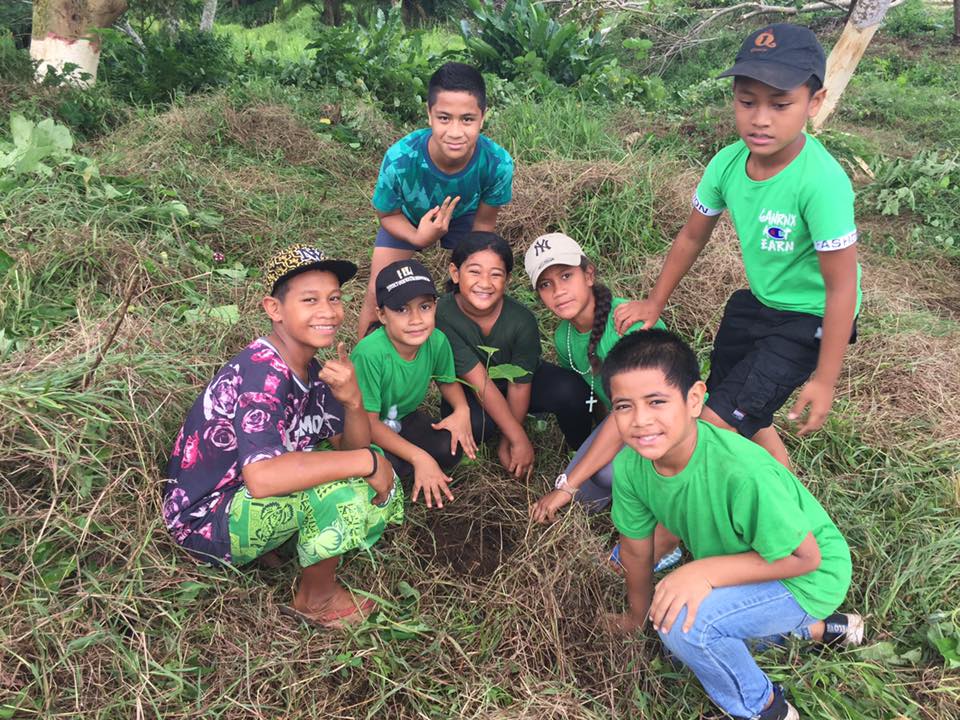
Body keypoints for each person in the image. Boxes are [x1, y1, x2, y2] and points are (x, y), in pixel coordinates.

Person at [614, 24, 861, 469]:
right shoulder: (727, 163)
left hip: (809, 319)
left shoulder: (821, 183)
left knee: (710, 428)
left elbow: (842, 288)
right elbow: (692, 235)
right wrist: (655, 301)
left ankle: (677, 531)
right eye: (747, 102)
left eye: (780, 104)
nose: (760, 118)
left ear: (815, 102)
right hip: (757, 306)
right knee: (733, 401)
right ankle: (787, 492)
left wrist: (825, 379)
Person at [602, 329, 863, 720]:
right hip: (752, 558)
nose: (641, 420)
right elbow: (638, 550)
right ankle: (823, 630)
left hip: (808, 575)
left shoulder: (741, 471)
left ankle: (764, 709)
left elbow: (806, 557)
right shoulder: (631, 466)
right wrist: (637, 618)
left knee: (684, 624)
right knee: (666, 620)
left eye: (657, 401)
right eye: (624, 406)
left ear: (694, 399)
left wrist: (703, 572)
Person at [163, 245, 403, 629]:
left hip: (241, 498)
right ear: (274, 309)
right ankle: (316, 599)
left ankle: (279, 545)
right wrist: (368, 462)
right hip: (204, 523)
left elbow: (351, 447)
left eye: (334, 298)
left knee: (364, 468)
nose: (327, 311)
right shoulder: (263, 373)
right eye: (310, 300)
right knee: (344, 491)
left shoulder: (312, 370)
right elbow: (264, 478)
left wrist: (355, 403)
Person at [357, 61, 514, 337]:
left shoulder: (497, 163)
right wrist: (419, 238)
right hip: (406, 216)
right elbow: (387, 215)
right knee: (377, 289)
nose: (455, 132)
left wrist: (468, 273)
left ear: (483, 116)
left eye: (467, 119)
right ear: (429, 114)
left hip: (464, 215)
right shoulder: (400, 159)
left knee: (475, 289)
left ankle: (470, 352)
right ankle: (364, 364)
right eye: (444, 118)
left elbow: (484, 225)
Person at [435, 231, 594, 480]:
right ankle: (491, 429)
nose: (485, 283)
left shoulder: (521, 320)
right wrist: (518, 439)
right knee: (468, 429)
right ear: (455, 273)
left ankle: (583, 452)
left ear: (507, 279)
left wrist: (512, 438)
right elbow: (479, 382)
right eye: (474, 272)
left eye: (495, 274)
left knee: (573, 391)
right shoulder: (441, 314)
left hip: (518, 384)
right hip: (472, 390)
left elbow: (520, 385)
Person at [351, 259, 477, 509]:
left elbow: (447, 381)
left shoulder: (437, 341)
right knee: (389, 468)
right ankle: (406, 465)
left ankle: (410, 464)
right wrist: (419, 456)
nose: (416, 319)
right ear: (382, 315)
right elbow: (368, 423)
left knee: (449, 448)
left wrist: (462, 410)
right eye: (402, 309)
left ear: (435, 306)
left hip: (404, 418)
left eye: (425, 306)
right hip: (366, 429)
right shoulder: (369, 353)